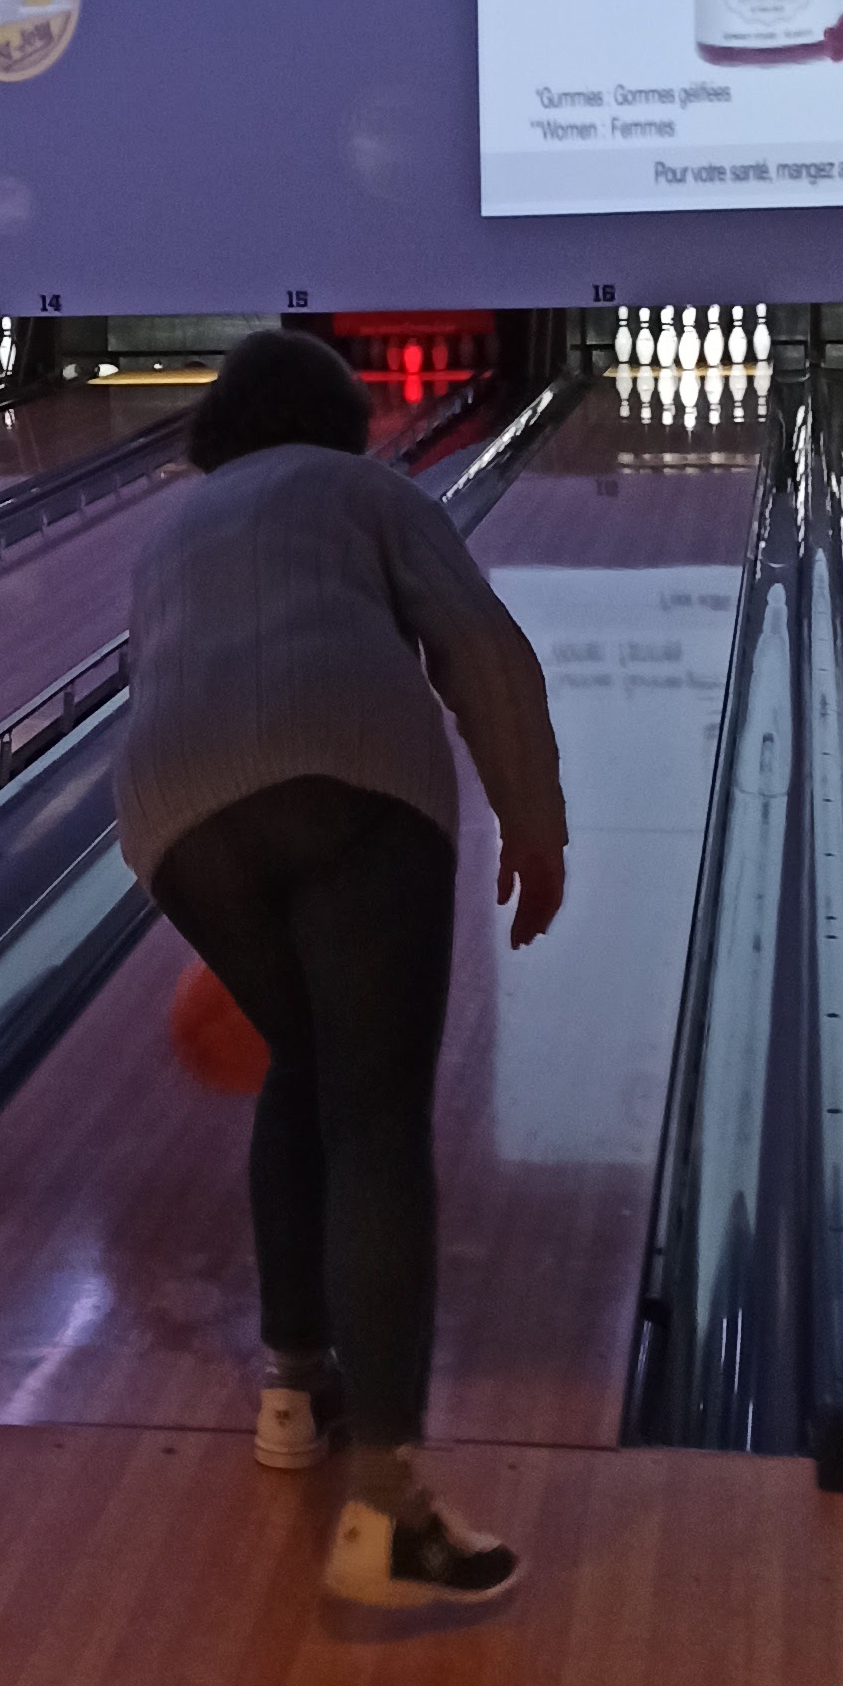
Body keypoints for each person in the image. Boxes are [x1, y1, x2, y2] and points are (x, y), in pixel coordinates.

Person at [116, 328, 567, 1610]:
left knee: (302, 1069)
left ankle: (292, 1389)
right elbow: (476, 644)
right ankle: (387, 1510)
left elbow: (180, 696)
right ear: (343, 420)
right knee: (374, 1116)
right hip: (352, 775)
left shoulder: (169, 532)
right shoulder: (366, 489)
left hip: (171, 816)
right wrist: (534, 821)